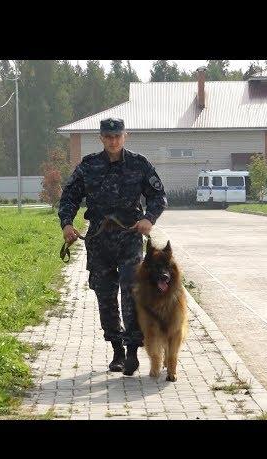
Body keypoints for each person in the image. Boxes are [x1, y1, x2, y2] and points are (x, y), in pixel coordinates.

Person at [58, 117, 167, 375]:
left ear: (125, 136)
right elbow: (69, 197)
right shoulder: (88, 166)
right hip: (98, 241)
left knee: (131, 292)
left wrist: (148, 219)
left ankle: (132, 350)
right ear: (101, 138)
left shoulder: (140, 164)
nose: (113, 141)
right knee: (105, 296)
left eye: (117, 136)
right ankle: (117, 350)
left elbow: (158, 196)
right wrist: (67, 224)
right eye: (108, 137)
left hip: (129, 239)